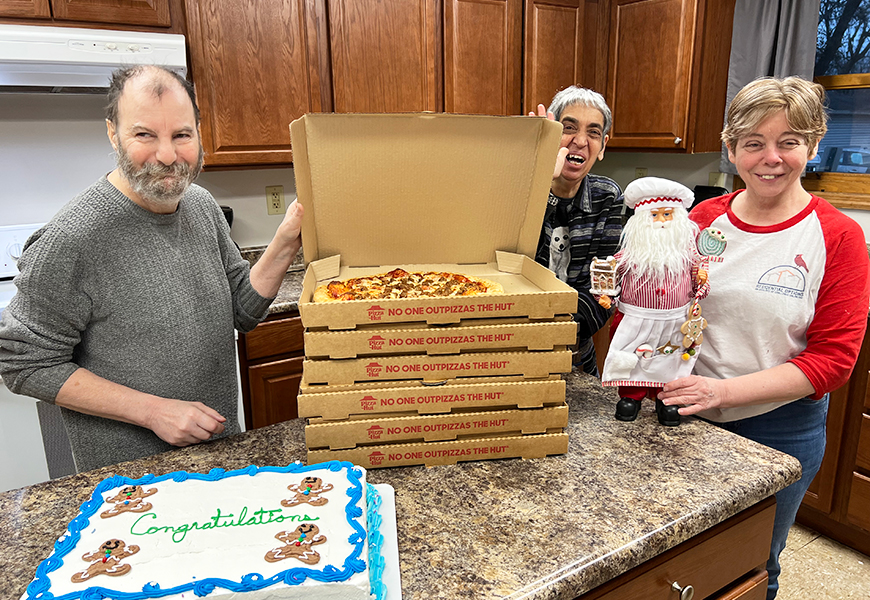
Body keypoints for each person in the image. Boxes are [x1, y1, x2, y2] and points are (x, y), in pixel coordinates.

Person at [0, 65, 304, 473]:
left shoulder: (201, 205)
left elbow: (241, 310)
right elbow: (22, 363)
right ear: (113, 133)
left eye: (182, 135)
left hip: (216, 455)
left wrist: (286, 239)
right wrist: (152, 411)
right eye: (145, 135)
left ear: (198, 131)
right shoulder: (71, 240)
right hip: (132, 481)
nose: (167, 155)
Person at [658, 76, 870, 599]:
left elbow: (832, 363)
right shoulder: (702, 221)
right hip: (686, 419)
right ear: (732, 149)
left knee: (750, 562)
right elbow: (671, 311)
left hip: (779, 431)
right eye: (753, 142)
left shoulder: (838, 236)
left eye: (788, 141)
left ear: (813, 145)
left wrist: (721, 393)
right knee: (674, 561)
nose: (770, 157)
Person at [595, 177, 709, 427]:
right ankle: (630, 398)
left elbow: (702, 284)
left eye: (667, 215)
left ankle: (665, 400)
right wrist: (605, 294)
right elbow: (610, 272)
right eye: (654, 215)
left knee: (670, 360)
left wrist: (701, 279)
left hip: (675, 320)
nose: (661, 222)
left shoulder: (689, 255)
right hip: (635, 318)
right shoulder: (630, 254)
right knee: (631, 358)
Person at [531, 86, 624, 375]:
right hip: (513, 353)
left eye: (593, 133)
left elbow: (604, 292)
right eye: (568, 128)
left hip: (577, 361)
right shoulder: (519, 190)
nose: (580, 141)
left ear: (603, 146)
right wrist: (541, 181)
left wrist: (545, 327)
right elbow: (511, 274)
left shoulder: (607, 198)